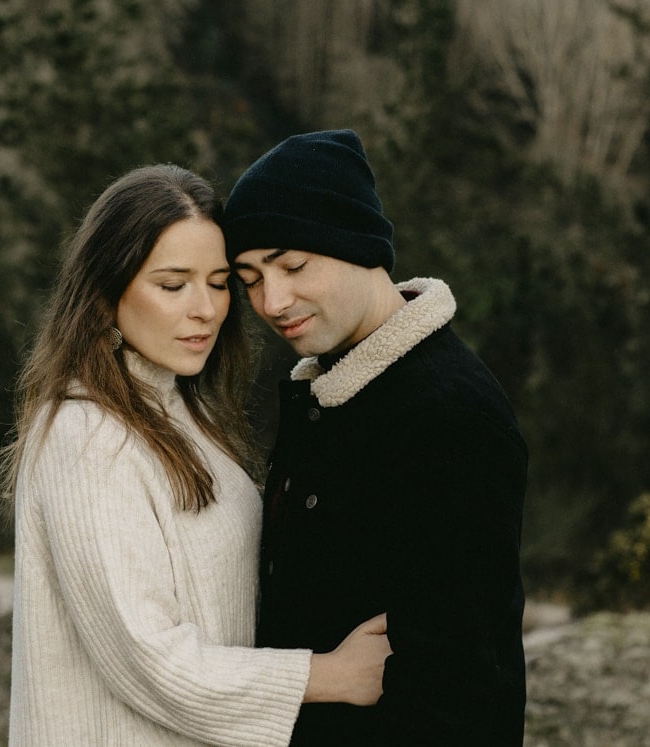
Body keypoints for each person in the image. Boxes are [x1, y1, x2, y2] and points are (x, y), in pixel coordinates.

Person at [0, 163, 392, 746]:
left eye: (217, 282)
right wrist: (330, 675)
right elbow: (148, 659)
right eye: (173, 284)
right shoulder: (85, 437)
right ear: (106, 295)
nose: (206, 309)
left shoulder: (178, 409)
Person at [224, 130, 529, 744]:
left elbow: (459, 686)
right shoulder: (333, 391)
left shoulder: (447, 415)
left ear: (359, 243)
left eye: (294, 264)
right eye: (249, 277)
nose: (272, 300)